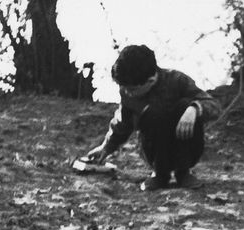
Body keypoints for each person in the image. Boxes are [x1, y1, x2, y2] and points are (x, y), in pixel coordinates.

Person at [83, 44, 221, 191]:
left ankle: (183, 173)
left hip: (187, 146)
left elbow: (214, 106)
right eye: (124, 88)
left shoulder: (177, 80)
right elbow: (123, 123)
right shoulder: (127, 90)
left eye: (132, 89)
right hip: (153, 150)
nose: (127, 93)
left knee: (184, 105)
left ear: (150, 81)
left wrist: (194, 110)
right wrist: (106, 146)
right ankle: (160, 175)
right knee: (151, 114)